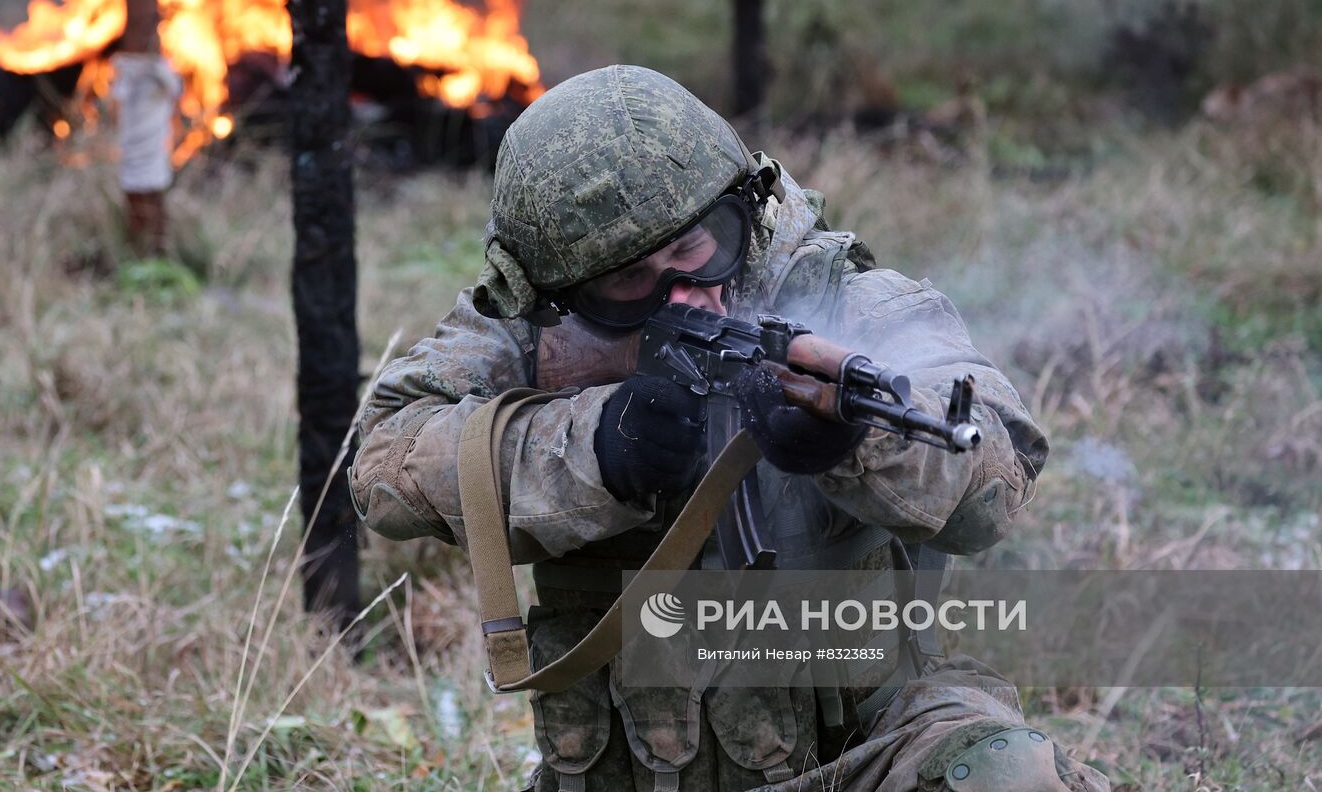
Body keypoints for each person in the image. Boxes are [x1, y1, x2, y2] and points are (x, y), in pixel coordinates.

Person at [350, 65, 1109, 792]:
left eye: (695, 250)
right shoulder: (531, 327)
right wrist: (598, 447)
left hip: (868, 752)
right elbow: (383, 460)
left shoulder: (839, 295)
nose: (688, 297)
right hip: (638, 770)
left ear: (743, 208)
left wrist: (852, 445)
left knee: (1013, 775)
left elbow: (991, 478)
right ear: (559, 290)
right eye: (628, 282)